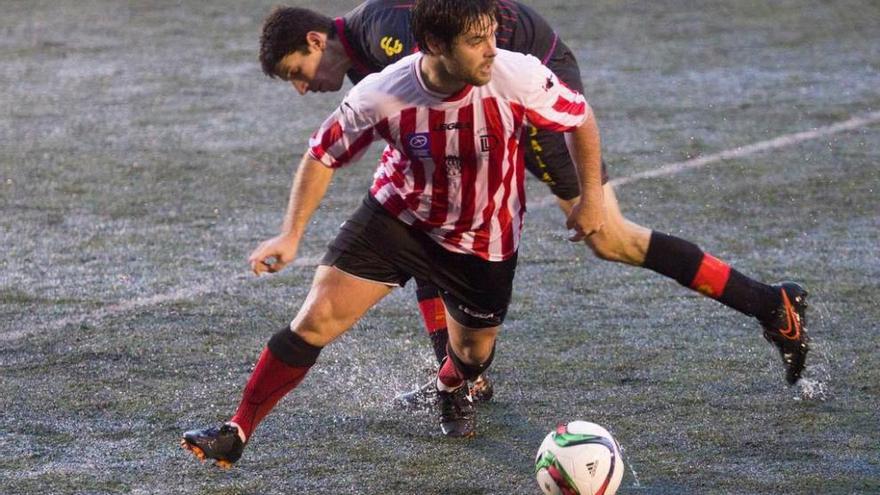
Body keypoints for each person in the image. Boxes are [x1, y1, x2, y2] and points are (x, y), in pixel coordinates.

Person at [256, 0, 810, 404]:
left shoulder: (387, 37)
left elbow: (471, 48)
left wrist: (586, 194)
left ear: (313, 42)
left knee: (608, 235)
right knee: (426, 212)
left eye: (296, 75)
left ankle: (769, 304)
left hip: (527, 80)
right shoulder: (369, 48)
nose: (304, 89)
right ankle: (457, 376)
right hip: (502, 87)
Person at [182, 0, 604, 467]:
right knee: (316, 318)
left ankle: (450, 382)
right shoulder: (384, 91)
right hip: (397, 218)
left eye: (490, 36)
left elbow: (579, 116)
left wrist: (593, 197)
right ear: (437, 46)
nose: (492, 49)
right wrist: (290, 234)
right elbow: (322, 154)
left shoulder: (518, 75)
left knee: (472, 356)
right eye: (477, 40)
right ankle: (236, 429)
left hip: (482, 237)